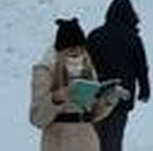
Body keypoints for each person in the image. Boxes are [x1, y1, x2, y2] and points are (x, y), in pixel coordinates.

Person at [30, 18, 123, 151]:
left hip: (87, 142)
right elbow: (37, 118)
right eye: (71, 47)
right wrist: (58, 97)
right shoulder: (46, 69)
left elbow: (94, 115)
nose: (76, 51)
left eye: (80, 47)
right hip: (59, 142)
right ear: (60, 49)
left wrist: (108, 100)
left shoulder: (87, 68)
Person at [86, 0, 150, 151]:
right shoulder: (133, 38)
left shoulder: (95, 35)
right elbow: (141, 67)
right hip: (122, 95)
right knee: (114, 138)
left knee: (94, 139)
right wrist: (144, 89)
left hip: (97, 94)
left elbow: (85, 66)